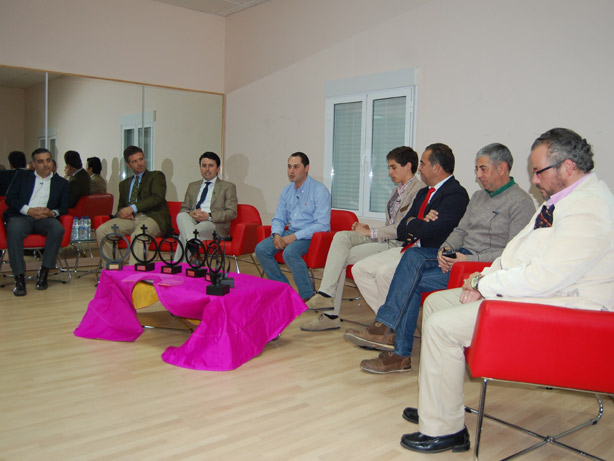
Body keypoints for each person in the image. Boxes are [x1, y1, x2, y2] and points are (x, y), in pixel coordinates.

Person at [400, 128, 614, 454]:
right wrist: (479, 280)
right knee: (437, 305)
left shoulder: (590, 209)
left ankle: (444, 431)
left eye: (539, 171)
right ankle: (439, 408)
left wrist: (486, 286)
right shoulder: (559, 201)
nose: (534, 180)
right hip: (537, 297)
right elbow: (515, 252)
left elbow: (545, 277)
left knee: (443, 327)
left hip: (565, 316)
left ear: (568, 167)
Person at [345, 143, 536, 373]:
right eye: (477, 169)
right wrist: (446, 249)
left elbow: (512, 253)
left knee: (412, 267)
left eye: (483, 169)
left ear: (502, 168)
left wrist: (469, 259)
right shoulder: (477, 197)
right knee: (411, 270)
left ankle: (388, 333)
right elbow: (460, 231)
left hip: (480, 270)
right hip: (456, 261)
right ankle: (398, 353)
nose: (478, 176)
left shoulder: (521, 202)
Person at [300, 146, 425, 331]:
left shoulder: (419, 191)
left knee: (342, 256)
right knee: (342, 237)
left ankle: (330, 314)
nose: (390, 172)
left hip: (397, 245)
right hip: (384, 238)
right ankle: (326, 296)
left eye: (393, 167)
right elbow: (391, 224)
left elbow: (403, 229)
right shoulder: (396, 192)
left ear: (408, 166)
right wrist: (370, 230)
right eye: (389, 167)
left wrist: (372, 233)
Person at [351, 143, 470, 313]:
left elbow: (426, 230)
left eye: (422, 163)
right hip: (408, 247)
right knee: (360, 270)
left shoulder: (456, 194)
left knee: (384, 273)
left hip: (431, 253)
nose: (419, 168)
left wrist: (415, 222)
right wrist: (418, 221)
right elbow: (403, 227)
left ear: (436, 167)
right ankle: (386, 321)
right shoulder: (424, 193)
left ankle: (387, 324)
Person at [255, 152, 331, 300]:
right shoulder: (287, 190)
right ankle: (283, 289)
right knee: (261, 249)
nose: (291, 171)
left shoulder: (319, 190)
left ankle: (308, 296)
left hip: (310, 236)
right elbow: (279, 217)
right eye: (289, 167)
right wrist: (276, 234)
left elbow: (322, 225)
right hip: (290, 232)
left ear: (306, 168)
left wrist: (294, 237)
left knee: (290, 252)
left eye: (296, 167)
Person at [3, 148, 69, 296]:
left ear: (52, 162)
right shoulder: (22, 176)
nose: (46, 165)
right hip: (22, 216)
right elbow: (10, 198)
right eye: (41, 161)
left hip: (45, 219)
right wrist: (28, 210)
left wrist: (51, 213)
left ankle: (44, 272)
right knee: (14, 228)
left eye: (48, 160)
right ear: (33, 164)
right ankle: (19, 278)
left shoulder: (62, 183)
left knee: (57, 229)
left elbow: (64, 208)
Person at [95, 146, 171, 265]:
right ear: (128, 165)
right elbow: (121, 207)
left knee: (139, 234)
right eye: (135, 161)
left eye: (141, 159)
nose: (139, 163)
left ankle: (133, 275)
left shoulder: (156, 176)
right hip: (130, 219)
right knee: (102, 230)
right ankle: (111, 270)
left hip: (152, 218)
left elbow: (157, 198)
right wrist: (121, 213)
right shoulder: (124, 184)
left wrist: (132, 208)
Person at [174, 152, 238, 262]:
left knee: (186, 234)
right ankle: (194, 250)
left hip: (213, 224)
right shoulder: (192, 186)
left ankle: (180, 267)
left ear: (218, 168)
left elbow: (232, 212)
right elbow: (184, 208)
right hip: (193, 221)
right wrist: (191, 213)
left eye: (211, 165)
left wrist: (208, 216)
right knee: (181, 216)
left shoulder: (228, 187)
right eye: (204, 166)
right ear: (200, 168)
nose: (207, 169)